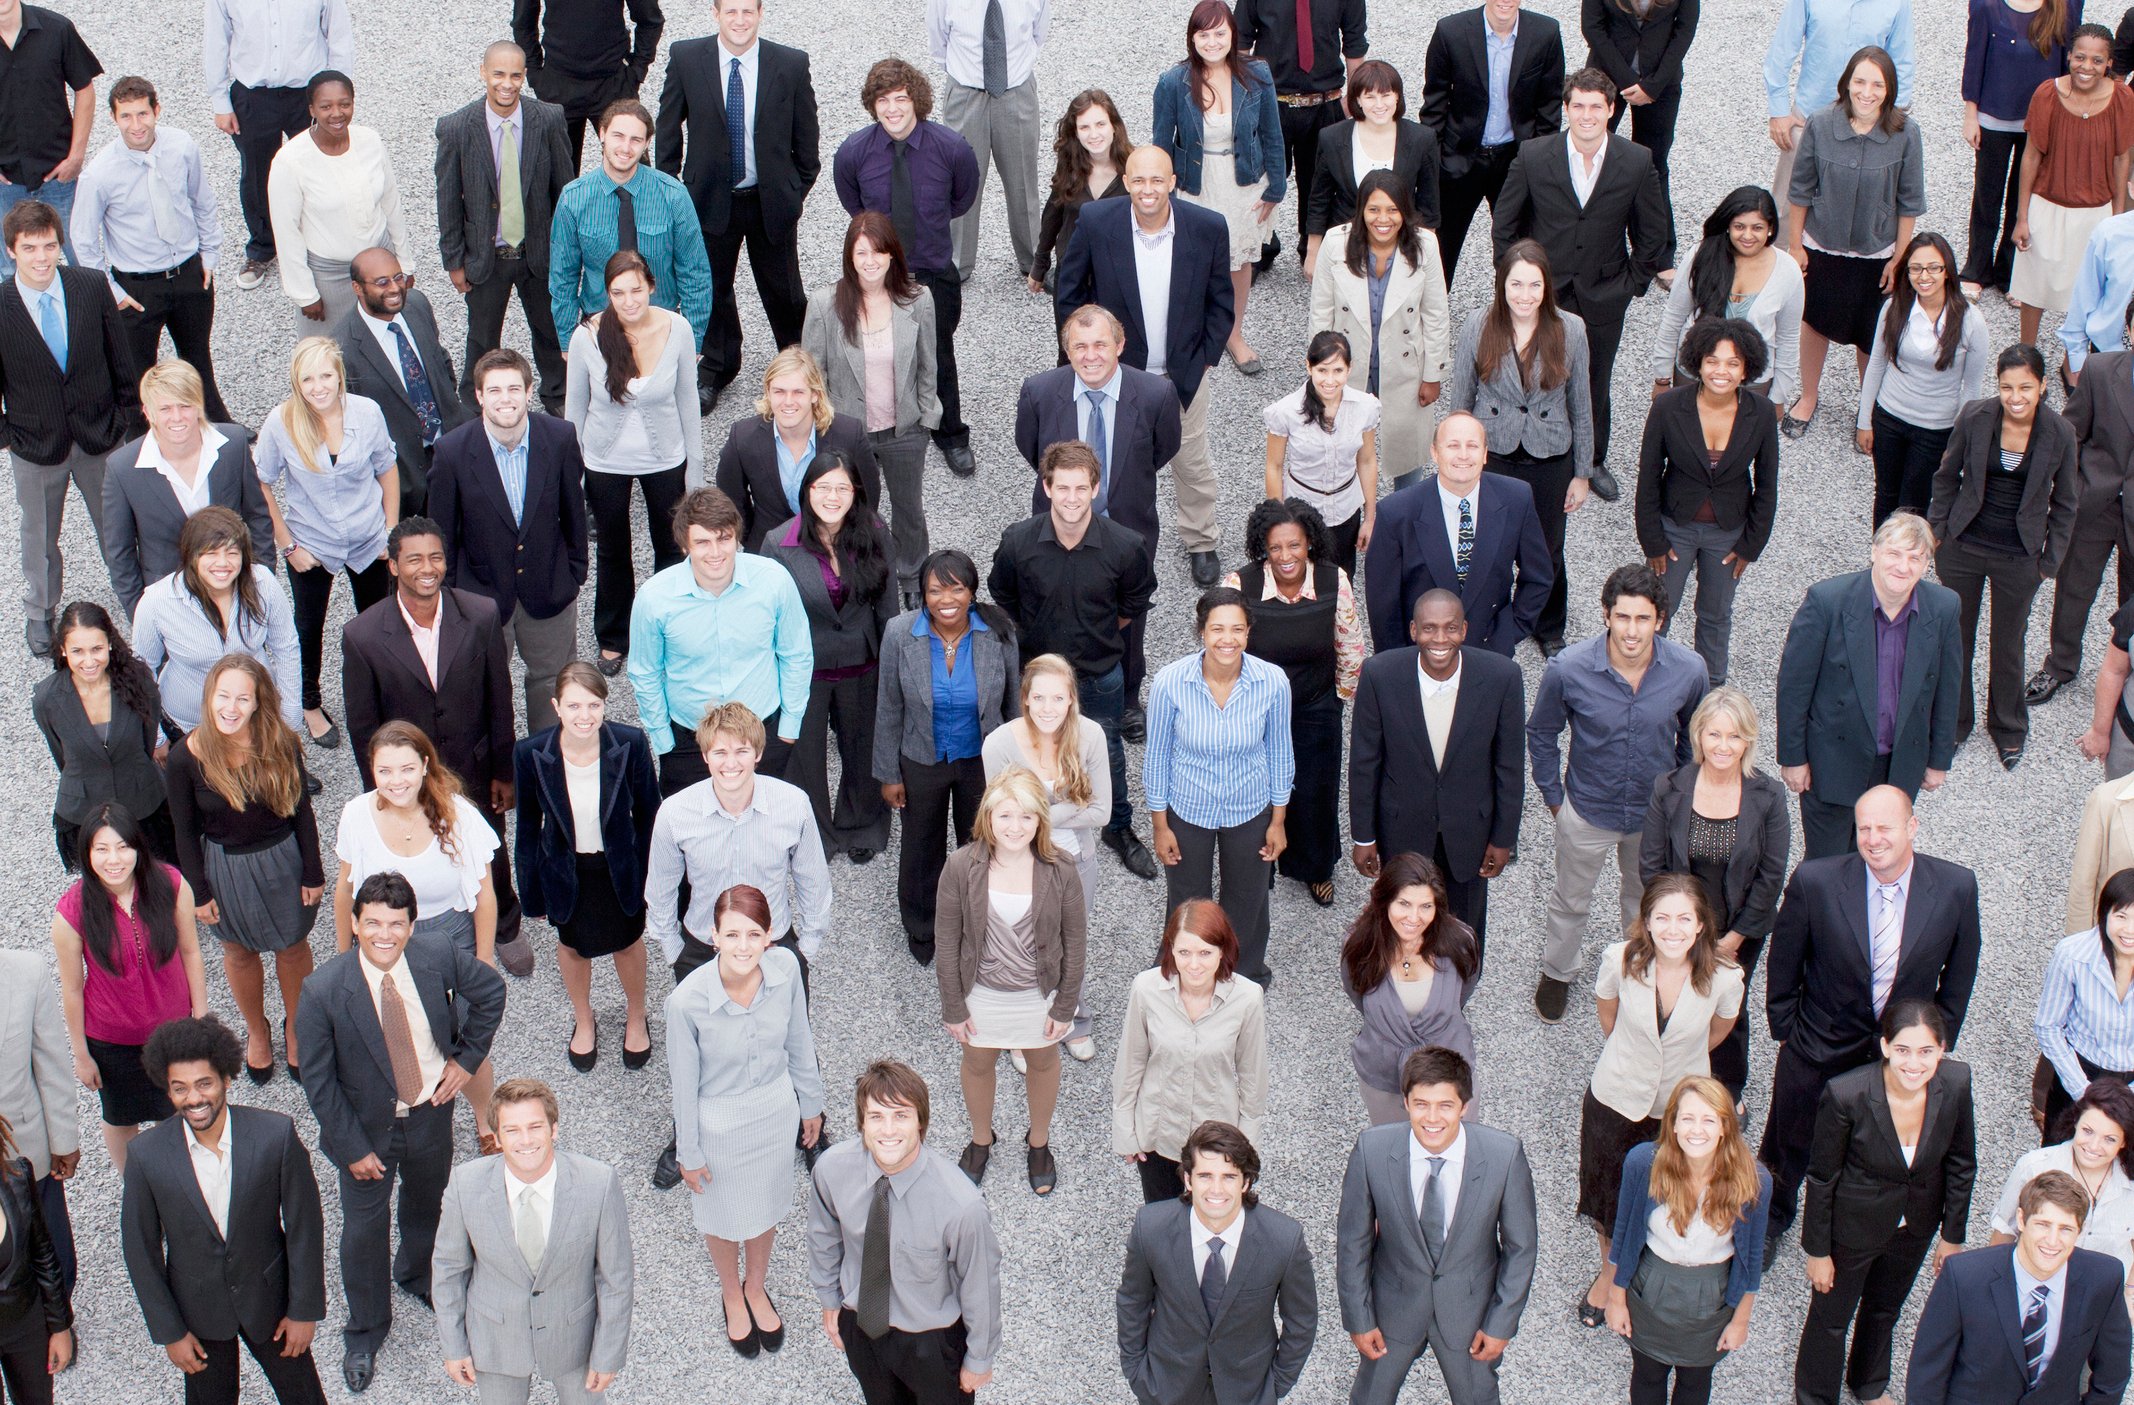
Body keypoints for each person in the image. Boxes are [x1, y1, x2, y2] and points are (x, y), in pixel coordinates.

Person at [294, 872, 505, 1395]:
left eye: (395, 924)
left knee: (427, 1203)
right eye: (372, 923)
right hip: (365, 1135)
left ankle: (416, 1274)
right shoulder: (322, 990)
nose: (383, 934)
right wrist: (351, 1148)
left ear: (412, 926)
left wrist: (467, 1059)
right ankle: (365, 1329)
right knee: (363, 1232)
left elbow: (492, 992)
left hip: (431, 1113)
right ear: (354, 923)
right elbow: (319, 1084)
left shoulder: (436, 955)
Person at [1760, 785, 1984, 1254]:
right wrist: (1786, 1029)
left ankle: (1849, 1227)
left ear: (1912, 827)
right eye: (1865, 828)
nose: (1874, 838)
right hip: (1817, 1044)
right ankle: (1772, 1218)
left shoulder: (1956, 888)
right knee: (1788, 1142)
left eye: (1885, 827)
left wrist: (1934, 1044)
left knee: (1873, 1147)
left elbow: (1961, 970)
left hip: (1896, 1058)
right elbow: (1784, 959)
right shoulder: (1815, 881)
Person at [642, 702, 831, 1189]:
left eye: (741, 751)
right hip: (703, 948)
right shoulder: (675, 813)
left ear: (758, 752)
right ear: (705, 755)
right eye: (720, 752)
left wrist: (802, 947)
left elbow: (813, 879)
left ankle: (807, 1124)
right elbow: (659, 891)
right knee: (698, 1046)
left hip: (775, 946)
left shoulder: (791, 804)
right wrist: (673, 951)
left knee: (791, 1034)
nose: (731, 762)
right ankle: (689, 1135)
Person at [342, 519, 526, 970]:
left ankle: (504, 922)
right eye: (415, 559)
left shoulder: (481, 614)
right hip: (407, 777)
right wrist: (382, 788)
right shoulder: (362, 636)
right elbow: (363, 727)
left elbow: (499, 698)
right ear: (393, 565)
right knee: (413, 849)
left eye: (436, 557)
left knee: (490, 847)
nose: (429, 568)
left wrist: (504, 770)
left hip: (475, 765)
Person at [1528, 564, 1709, 1022]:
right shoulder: (1568, 669)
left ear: (1660, 620)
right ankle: (1558, 971)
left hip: (1653, 815)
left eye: (1643, 619)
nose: (1632, 630)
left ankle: (1639, 976)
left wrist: (1681, 790)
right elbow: (1541, 732)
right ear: (1606, 615)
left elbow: (1694, 733)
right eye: (1623, 617)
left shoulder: (1688, 671)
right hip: (1587, 808)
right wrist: (1555, 797)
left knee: (1645, 902)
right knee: (1571, 898)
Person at [1054, 145, 1236, 585]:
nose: (1147, 190)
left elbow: (1221, 302)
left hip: (1182, 376)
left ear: (1173, 182)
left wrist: (1206, 359)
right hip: (1117, 375)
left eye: (1157, 180)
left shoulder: (1208, 228)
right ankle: (1101, 535)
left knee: (1190, 459)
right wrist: (1085, 356)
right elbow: (1069, 290)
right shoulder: (1097, 223)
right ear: (1126, 182)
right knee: (1108, 455)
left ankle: (1200, 539)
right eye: (1138, 180)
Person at [121, 1016, 323, 1405]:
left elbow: (305, 1227)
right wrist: (170, 1331)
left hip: (272, 1304)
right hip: (199, 1316)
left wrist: (304, 1311)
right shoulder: (146, 1156)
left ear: (227, 1080)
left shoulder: (275, 1136)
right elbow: (140, 1250)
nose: (194, 1098)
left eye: (204, 1084)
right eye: (180, 1088)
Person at [1493, 67, 1671, 500]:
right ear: (1567, 109)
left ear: (1611, 109)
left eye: (1596, 106)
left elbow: (1652, 236)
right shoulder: (1534, 155)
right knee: (1528, 371)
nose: (1587, 115)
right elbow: (1505, 226)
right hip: (1540, 296)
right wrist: (1519, 284)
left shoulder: (1636, 160)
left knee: (1595, 378)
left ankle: (1591, 461)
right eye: (1578, 106)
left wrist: (1628, 286)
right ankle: (1529, 450)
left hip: (1603, 294)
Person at [1576, 879, 1743, 1331]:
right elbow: (1606, 1010)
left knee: (1663, 1195)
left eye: (1684, 918)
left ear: (1702, 925)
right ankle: (1611, 1277)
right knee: (1609, 1197)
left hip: (1678, 1108)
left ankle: (1642, 1269)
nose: (1673, 929)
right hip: (1615, 1099)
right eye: (1662, 918)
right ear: (1646, 922)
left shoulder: (1726, 978)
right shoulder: (1619, 959)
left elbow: (1719, 1031)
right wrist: (1631, 1054)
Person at [988, 442, 1159, 875]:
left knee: (1109, 755)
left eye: (1081, 488)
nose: (1071, 498)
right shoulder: (1018, 542)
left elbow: (1134, 601)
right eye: (1062, 487)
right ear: (1046, 487)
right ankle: (1028, 825)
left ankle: (1118, 827)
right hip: (1037, 682)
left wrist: (1097, 632)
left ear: (1095, 488)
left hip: (1099, 675)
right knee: (1031, 753)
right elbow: (1002, 594)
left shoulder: (1125, 547)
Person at [1795, 999, 1975, 1405]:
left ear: (1942, 1050)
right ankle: (1814, 1397)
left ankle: (1869, 1383)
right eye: (1904, 1050)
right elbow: (1822, 1178)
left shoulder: (1958, 1083)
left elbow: (1962, 1162)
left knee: (1884, 1309)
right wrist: (1818, 1251)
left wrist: (1952, 1235)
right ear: (1885, 1047)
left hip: (1915, 1226)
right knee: (1830, 1320)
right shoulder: (1847, 1095)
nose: (1915, 1063)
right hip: (1852, 1228)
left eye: (1927, 1051)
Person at [1336, 1045, 1538, 1405]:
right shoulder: (1371, 1150)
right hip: (1392, 1308)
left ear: (1464, 1105)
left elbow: (1521, 1249)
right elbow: (1353, 1242)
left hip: (1470, 1313)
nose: (1432, 1118)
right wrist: (1359, 1317)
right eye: (1421, 1104)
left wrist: (1501, 1322)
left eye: (1445, 1105)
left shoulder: (1504, 1156)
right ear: (1406, 1102)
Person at [669, 884, 823, 1355]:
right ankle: (731, 1292)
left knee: (766, 1205)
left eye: (753, 934)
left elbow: (800, 1039)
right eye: (731, 934)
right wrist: (688, 1152)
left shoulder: (787, 970)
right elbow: (682, 1086)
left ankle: (755, 1285)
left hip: (775, 1112)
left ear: (770, 936)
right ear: (712, 935)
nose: (742, 946)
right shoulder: (686, 1002)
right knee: (720, 1214)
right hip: (718, 1123)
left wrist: (810, 1103)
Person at [331, 727, 505, 1122]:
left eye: (407, 769)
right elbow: (345, 891)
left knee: (464, 1041)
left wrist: (482, 960)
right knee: (398, 1039)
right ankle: (418, 1113)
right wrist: (345, 958)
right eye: (385, 770)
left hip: (448, 937)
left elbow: (484, 895)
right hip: (384, 941)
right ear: (371, 769)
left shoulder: (458, 813)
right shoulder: (356, 814)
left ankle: (484, 1117)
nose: (397, 781)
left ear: (426, 765)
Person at [806, 1060, 1002, 1405]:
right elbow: (824, 1235)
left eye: (901, 1115)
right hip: (861, 1325)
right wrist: (828, 1298)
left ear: (921, 1123)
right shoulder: (831, 1170)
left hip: (931, 1342)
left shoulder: (961, 1205)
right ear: (862, 1123)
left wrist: (979, 1358)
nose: (888, 1130)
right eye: (877, 1116)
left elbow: (979, 1286)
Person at [656, 0, 819, 409]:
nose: (740, 20)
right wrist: (672, 188)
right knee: (711, 289)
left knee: (784, 290)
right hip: (709, 200)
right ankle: (718, 366)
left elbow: (808, 145)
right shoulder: (687, 57)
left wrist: (790, 194)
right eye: (731, 12)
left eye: (748, 11)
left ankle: (796, 366)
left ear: (760, 14)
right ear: (716, 14)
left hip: (769, 202)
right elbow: (667, 124)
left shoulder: (791, 64)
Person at [165, 656, 321, 1084]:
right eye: (223, 696)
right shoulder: (185, 758)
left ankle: (294, 1027)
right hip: (225, 869)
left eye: (242, 698)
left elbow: (302, 811)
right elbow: (183, 831)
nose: (231, 708)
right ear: (209, 697)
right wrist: (198, 892)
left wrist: (313, 870)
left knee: (292, 947)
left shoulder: (280, 742)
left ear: (258, 703)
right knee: (238, 951)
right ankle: (257, 1029)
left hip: (282, 861)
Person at [1015, 305, 1181, 706]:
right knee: (1054, 608)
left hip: (1127, 528)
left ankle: (1126, 697)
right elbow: (1031, 450)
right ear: (1067, 351)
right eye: (1080, 346)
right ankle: (1055, 697)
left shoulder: (1157, 395)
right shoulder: (1038, 392)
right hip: (1057, 526)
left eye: (1100, 345)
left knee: (1128, 615)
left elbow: (1163, 449)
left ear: (1120, 345)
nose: (1091, 355)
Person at [1774, 513, 1963, 859]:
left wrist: (1939, 759)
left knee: (1879, 862)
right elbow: (1794, 686)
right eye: (1895, 554)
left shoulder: (1944, 608)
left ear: (1926, 565)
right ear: (1874, 551)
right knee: (1826, 867)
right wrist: (1793, 757)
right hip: (1831, 764)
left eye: (1915, 558)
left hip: (1899, 765)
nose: (1903, 566)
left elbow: (1948, 688)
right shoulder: (1827, 602)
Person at [432, 1077, 634, 1401]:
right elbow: (449, 1270)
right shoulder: (464, 1185)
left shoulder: (599, 1184)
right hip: (496, 1336)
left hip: (575, 1336)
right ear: (496, 1137)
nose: (525, 1140)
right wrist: (453, 1345)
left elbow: (616, 1278)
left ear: (553, 1129)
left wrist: (608, 1352)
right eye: (512, 1130)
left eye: (535, 1127)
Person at [935, 767, 1087, 1194]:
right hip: (980, 994)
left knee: (1042, 1062)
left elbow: (1075, 943)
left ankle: (1038, 1142)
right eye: (1005, 816)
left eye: (1026, 816)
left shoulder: (1061, 868)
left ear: (1041, 820)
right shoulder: (961, 866)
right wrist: (954, 1006)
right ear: (987, 817)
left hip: (1039, 996)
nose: (1015, 827)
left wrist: (1064, 1006)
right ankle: (982, 1139)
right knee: (978, 1064)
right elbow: (947, 941)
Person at [1929, 342, 2079, 768]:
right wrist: (1938, 534)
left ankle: (2008, 727)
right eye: (2007, 387)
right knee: (1956, 639)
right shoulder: (1976, 416)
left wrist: (2050, 561)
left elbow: (2067, 502)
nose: (2015, 397)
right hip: (1964, 547)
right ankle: (1954, 725)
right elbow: (1946, 477)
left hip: (2020, 556)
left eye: (2025, 388)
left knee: (2008, 643)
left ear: (2044, 386)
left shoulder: (2061, 433)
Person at [1639, 686, 1791, 1104]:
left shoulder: (1770, 795)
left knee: (1729, 1005)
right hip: (1676, 925)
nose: (1724, 746)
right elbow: (1651, 866)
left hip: (1740, 927)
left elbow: (1771, 874)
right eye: (1714, 734)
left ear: (1748, 741)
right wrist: (1673, 928)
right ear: (1699, 736)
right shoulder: (1668, 787)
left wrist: (1735, 938)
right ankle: (1666, 1079)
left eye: (1734, 736)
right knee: (1672, 999)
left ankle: (1727, 1086)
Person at [0, 198, 138, 659]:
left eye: (49, 245)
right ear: (11, 251)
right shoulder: (0, 306)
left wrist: (123, 416)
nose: (42, 257)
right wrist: (10, 436)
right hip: (36, 446)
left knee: (116, 527)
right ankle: (40, 611)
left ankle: (137, 601)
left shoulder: (89, 285)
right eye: (30, 247)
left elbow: (120, 356)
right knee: (39, 536)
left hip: (100, 434)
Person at [1350, 591, 1525, 947]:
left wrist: (1503, 838)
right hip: (1402, 832)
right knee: (1400, 927)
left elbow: (1509, 766)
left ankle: (1456, 997)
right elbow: (1364, 762)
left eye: (1451, 628)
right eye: (1430, 628)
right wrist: (1364, 837)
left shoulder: (1502, 677)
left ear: (1465, 629)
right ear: (1414, 630)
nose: (1440, 639)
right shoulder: (1379, 675)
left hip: (1469, 834)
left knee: (1463, 933)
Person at [832, 58, 980, 477]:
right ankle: (880, 433)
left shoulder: (952, 149)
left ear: (917, 100)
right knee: (874, 352)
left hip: (933, 272)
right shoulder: (854, 153)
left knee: (939, 353)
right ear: (872, 105)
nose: (893, 109)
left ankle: (950, 434)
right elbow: (853, 204)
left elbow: (962, 199)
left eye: (901, 98)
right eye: (883, 100)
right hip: (877, 276)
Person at [428, 349, 588, 733]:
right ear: (479, 396)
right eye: (494, 390)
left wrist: (575, 571)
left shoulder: (560, 436)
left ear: (529, 391)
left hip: (549, 588)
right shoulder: (451, 452)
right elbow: (443, 534)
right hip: (480, 596)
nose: (506, 399)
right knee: (484, 690)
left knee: (553, 683)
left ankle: (547, 764)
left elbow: (574, 510)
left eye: (514, 388)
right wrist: (450, 596)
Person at [1441, 245, 1591, 651]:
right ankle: (1486, 614)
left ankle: (1548, 626)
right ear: (1501, 284)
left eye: (1534, 285)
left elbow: (1581, 403)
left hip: (1550, 457)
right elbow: (1462, 397)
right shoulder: (1479, 323)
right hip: (1495, 454)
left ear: (1547, 286)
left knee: (1547, 548)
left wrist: (1582, 473)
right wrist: (1456, 456)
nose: (1525, 295)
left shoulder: (1571, 328)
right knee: (1487, 542)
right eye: (1516, 284)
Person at [1146, 588, 1294, 989]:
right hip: (1188, 809)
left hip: (1250, 808)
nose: (1227, 639)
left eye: (1237, 629)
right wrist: (1160, 826)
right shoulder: (1170, 682)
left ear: (1248, 633)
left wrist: (1278, 820)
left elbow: (1280, 752)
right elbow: (1157, 757)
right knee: (1187, 901)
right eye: (1217, 629)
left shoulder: (1273, 682)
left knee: (1248, 900)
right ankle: (1180, 973)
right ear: (1201, 632)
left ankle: (1242, 978)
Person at [515, 663, 660, 1072]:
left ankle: (636, 1016)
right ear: (556, 706)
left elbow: (651, 815)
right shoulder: (532, 753)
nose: (584, 715)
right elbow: (526, 827)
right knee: (573, 947)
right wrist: (531, 894)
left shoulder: (629, 744)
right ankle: (584, 1018)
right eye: (574, 705)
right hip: (565, 870)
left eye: (594, 705)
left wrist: (656, 879)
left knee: (629, 942)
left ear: (604, 705)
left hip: (619, 868)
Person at [252, 337, 396, 745]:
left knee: (377, 622)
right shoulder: (281, 422)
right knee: (306, 626)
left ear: (340, 376)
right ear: (297, 381)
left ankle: (380, 693)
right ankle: (309, 704)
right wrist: (289, 546)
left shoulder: (367, 413)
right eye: (308, 378)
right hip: (311, 543)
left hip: (368, 538)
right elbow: (260, 481)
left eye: (326, 376)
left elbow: (387, 469)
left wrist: (389, 529)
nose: (318, 387)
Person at [49, 802, 208, 1171]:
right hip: (111, 1041)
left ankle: (182, 1186)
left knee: (178, 1112)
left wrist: (201, 1017)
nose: (113, 859)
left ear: (138, 847)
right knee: (121, 1119)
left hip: (173, 1033)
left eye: (123, 847)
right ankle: (136, 1187)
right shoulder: (71, 911)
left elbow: (191, 952)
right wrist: (81, 1054)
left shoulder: (170, 883)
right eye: (101, 849)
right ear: (87, 854)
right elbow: (72, 989)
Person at [1222, 499, 1363, 906]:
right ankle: (1257, 866)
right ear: (1262, 548)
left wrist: (1337, 700)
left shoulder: (1334, 580)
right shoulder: (1240, 585)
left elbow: (1351, 646)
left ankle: (1314, 867)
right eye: (1276, 548)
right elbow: (1226, 649)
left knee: (1316, 791)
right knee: (1257, 790)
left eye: (1295, 546)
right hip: (1258, 711)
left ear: (1310, 544)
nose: (1286, 557)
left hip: (1316, 706)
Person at [1116, 1119, 1318, 1403]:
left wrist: (1275, 1385)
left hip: (1247, 1391)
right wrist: (1136, 1370)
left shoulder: (1284, 1241)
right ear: (1187, 1179)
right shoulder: (1150, 1228)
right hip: (1167, 1386)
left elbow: (1302, 1321)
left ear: (1246, 1181)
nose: (1216, 1190)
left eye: (1229, 1176)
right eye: (1205, 1176)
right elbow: (1132, 1301)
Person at [1781, 46, 1926, 439]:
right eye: (1859, 81)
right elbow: (1800, 189)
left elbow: (1909, 201)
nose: (1867, 92)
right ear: (1846, 83)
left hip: (1875, 252)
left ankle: (1868, 406)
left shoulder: (1906, 133)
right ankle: (1809, 396)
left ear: (1889, 89)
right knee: (1815, 322)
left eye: (1877, 84)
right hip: (1822, 246)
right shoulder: (1821, 123)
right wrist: (1795, 247)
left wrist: (1899, 257)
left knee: (1870, 329)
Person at [570, 251, 701, 676]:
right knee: (612, 547)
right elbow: (575, 409)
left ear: (652, 286)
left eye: (636, 290)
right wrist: (573, 473)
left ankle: (669, 627)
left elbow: (687, 399)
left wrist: (694, 467)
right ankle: (613, 635)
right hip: (605, 459)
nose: (628, 301)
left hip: (665, 456)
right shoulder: (587, 336)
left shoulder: (677, 329)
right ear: (606, 294)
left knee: (670, 545)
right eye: (617, 293)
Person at [628, 487, 813, 789]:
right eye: (703, 542)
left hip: (763, 738)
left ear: (737, 537)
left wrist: (788, 729)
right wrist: (663, 740)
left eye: (724, 538)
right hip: (688, 744)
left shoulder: (774, 581)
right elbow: (644, 672)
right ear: (685, 546)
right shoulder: (654, 598)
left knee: (764, 831)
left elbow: (796, 654)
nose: (715, 552)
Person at [1603, 1077, 1772, 1405]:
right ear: (1674, 1125)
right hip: (1651, 1287)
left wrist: (1741, 1321)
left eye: (1709, 1120)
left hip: (1711, 1297)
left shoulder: (1754, 1181)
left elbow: (1751, 1259)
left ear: (1725, 1127)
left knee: (1696, 1380)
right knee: (1648, 1373)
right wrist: (1616, 1299)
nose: (1698, 1130)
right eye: (1688, 1118)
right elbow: (1623, 1235)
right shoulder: (1643, 1164)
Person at [764, 450, 897, 861]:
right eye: (824, 487)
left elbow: (888, 603)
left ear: (856, 492)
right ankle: (813, 835)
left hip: (863, 661)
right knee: (804, 757)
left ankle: (861, 827)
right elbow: (771, 615)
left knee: (862, 748)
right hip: (807, 668)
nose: (833, 496)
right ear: (808, 491)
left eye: (843, 487)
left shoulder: (875, 529)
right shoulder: (779, 542)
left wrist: (892, 664)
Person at [71, 78, 229, 423]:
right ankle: (143, 442)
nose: (136, 125)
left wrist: (209, 256)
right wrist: (113, 293)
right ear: (114, 119)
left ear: (156, 110)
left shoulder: (182, 147)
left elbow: (202, 202)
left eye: (142, 114)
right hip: (136, 286)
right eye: (126, 116)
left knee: (197, 357)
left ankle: (215, 425)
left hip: (189, 273)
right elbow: (82, 239)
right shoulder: (99, 174)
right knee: (137, 372)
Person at [1634, 318, 1781, 686]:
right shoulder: (1668, 407)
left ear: (1747, 368)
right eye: (1713, 360)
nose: (1722, 371)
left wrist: (1751, 545)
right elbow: (1648, 477)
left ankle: (1711, 692)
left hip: (1728, 534)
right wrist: (1653, 539)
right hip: (1674, 529)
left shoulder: (1761, 413)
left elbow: (1767, 484)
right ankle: (1646, 683)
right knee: (1658, 610)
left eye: (1733, 363)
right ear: (1698, 361)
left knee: (1716, 615)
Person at [1907, 1171, 2134, 1405]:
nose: (2053, 1241)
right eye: (2043, 1224)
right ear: (2022, 1220)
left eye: (2066, 1229)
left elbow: (2112, 1375)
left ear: (2080, 1230)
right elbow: (1927, 1373)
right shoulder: (1964, 1276)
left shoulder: (2103, 1279)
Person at [801, 215, 938, 598]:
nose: (870, 260)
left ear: (893, 255)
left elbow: (930, 362)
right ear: (850, 256)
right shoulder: (825, 305)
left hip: (904, 430)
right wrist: (824, 426)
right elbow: (814, 373)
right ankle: (863, 576)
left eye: (878, 251)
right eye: (861, 252)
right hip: (848, 432)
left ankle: (911, 576)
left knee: (909, 509)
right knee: (855, 509)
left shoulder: (917, 300)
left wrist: (926, 416)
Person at [434, 42, 574, 414]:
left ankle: (558, 396)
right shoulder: (457, 128)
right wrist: (454, 260)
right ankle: (474, 405)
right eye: (499, 74)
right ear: (484, 73)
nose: (507, 84)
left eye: (515, 75)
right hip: (487, 256)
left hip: (537, 253)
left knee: (549, 331)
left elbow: (564, 191)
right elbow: (447, 199)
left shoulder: (547, 119)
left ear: (524, 75)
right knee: (481, 338)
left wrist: (566, 253)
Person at [984, 654, 1108, 1059]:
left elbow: (1102, 811)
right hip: (1019, 865)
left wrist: (1035, 815)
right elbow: (1001, 818)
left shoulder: (1089, 736)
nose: (1048, 709)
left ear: (1071, 699)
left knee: (1071, 942)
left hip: (1076, 864)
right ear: (1025, 699)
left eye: (1057, 698)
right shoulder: (999, 744)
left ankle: (1073, 1019)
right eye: (1039, 698)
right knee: (1024, 946)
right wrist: (1072, 805)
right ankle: (1023, 1032)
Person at [1152, 2, 1287, 374]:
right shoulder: (1172, 83)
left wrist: (1276, 187)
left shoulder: (1257, 74)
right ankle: (1193, 331)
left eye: (1220, 33)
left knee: (1240, 260)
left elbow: (1273, 135)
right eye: (1204, 34)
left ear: (1233, 35)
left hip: (1244, 180)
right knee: (1194, 261)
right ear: (1192, 38)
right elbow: (1161, 145)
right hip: (1197, 183)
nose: (1212, 42)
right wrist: (1161, 195)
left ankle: (1232, 332)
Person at [1364, 410, 1554, 657]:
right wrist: (1398, 663)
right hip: (1421, 656)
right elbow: (1382, 604)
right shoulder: (1396, 513)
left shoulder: (1517, 499)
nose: (1463, 455)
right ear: (1434, 452)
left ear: (1485, 454)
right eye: (1453, 445)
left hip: (1488, 655)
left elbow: (1538, 578)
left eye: (1472, 446)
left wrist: (1507, 633)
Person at [1113, 900, 1268, 1200]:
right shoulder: (1145, 989)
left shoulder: (1248, 998)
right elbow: (1130, 1064)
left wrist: (1246, 1150)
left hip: (1217, 1147)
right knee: (1163, 1223)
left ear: (1223, 950)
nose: (1194, 965)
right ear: (1170, 949)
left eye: (1205, 953)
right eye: (1184, 952)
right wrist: (1125, 1133)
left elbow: (1253, 1080)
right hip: (1158, 1137)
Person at [1308, 172, 1452, 492]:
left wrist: (1433, 374)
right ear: (1361, 210)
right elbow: (1321, 314)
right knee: (1346, 456)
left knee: (1408, 458)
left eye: (1392, 210)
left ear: (1405, 211)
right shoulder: (1335, 243)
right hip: (1350, 368)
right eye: (1374, 210)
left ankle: (1402, 528)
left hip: (1405, 370)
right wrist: (1320, 376)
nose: (1382, 219)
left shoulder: (1426, 244)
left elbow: (1435, 315)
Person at [102, 358, 271, 620]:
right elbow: (120, 556)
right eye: (166, 409)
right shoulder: (123, 469)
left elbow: (257, 517)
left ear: (199, 405)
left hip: (236, 591)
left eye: (185, 405)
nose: (177, 417)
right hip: (170, 606)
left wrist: (260, 583)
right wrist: (141, 614)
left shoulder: (233, 445)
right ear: (147, 412)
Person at [202, 0, 352, 290]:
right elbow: (216, 41)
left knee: (318, 170)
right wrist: (220, 102)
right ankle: (263, 247)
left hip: (308, 93)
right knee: (257, 174)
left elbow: (339, 35)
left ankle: (321, 245)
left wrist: (338, 95)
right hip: (253, 95)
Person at [1419, 0, 1567, 289]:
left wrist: (1536, 160)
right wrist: (1438, 159)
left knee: (1520, 251)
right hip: (1460, 158)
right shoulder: (1451, 31)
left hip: (1515, 160)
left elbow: (1550, 106)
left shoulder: (1545, 32)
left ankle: (1515, 319)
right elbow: (1434, 104)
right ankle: (1430, 323)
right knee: (1440, 249)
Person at [547, 99, 712, 353]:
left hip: (662, 327)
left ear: (646, 144)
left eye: (636, 139)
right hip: (600, 328)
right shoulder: (573, 199)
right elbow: (563, 277)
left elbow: (695, 273)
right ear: (602, 134)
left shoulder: (673, 196)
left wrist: (693, 342)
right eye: (618, 136)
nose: (625, 147)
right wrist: (570, 343)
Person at [1856, 233, 1995, 526]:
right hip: (1889, 418)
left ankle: (1905, 564)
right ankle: (1880, 559)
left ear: (1947, 271)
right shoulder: (1894, 308)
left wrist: (1959, 442)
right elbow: (1877, 363)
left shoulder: (1972, 321)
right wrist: (1864, 421)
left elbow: (1971, 388)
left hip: (1935, 429)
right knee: (1885, 495)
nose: (1925, 276)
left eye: (1934, 267)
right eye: (1916, 268)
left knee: (1914, 504)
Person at [2010, 25, 2134, 349]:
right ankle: (2027, 356)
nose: (2086, 67)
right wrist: (2022, 217)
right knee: (2033, 289)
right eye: (2080, 57)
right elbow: (2031, 157)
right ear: (2069, 57)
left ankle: (2073, 365)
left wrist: (2117, 218)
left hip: (2096, 211)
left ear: (2109, 63)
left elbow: (2122, 159)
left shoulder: (2123, 98)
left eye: (2096, 60)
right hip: (2047, 204)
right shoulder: (2047, 94)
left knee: (2088, 297)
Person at [132, 507, 301, 735]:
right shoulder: (156, 601)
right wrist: (157, 736)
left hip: (254, 715)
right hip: (190, 723)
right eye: (211, 553)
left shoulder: (263, 583)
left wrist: (290, 717)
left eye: (232, 553)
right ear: (191, 555)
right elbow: (142, 671)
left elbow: (286, 648)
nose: (223, 563)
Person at [1341, 855, 1481, 1128]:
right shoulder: (1359, 946)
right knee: (1394, 1152)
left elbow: (1463, 992)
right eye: (1404, 903)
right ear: (1384, 901)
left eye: (1425, 906)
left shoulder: (1461, 943)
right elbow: (1357, 994)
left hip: (1450, 1073)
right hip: (1384, 1075)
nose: (1414, 918)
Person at [332, 247, 472, 517]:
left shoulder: (417, 304)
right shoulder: (342, 348)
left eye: (398, 277)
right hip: (405, 477)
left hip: (452, 449)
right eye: (382, 282)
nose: (395, 288)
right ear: (357, 288)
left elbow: (440, 359)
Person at [265, 74, 409, 338]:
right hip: (329, 277)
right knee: (330, 356)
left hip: (380, 270)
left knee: (386, 345)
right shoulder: (290, 161)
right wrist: (305, 293)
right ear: (311, 109)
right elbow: (287, 231)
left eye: (344, 104)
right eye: (326, 106)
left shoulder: (371, 142)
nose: (337, 113)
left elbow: (392, 204)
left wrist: (404, 264)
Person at [2036, 329, 2134, 709]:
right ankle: (2060, 664)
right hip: (2095, 503)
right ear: (2128, 330)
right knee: (2074, 588)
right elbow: (2069, 434)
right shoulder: (2099, 369)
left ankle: (2126, 673)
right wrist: (2072, 488)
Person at [33, 601, 171, 870]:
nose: (88, 661)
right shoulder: (46, 699)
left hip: (143, 803)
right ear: (63, 650)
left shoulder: (140, 683)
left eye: (96, 649)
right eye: (77, 651)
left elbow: (146, 742)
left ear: (109, 643)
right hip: (84, 811)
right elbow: (61, 756)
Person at [1236, 0, 1372, 267]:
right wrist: (1248, 97)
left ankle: (1312, 247)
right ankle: (1260, 247)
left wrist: (1351, 100)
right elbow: (1241, 41)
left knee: (1320, 182)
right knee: (1262, 179)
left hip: (1325, 102)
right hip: (1272, 103)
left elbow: (1355, 42)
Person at [1961, 0, 2077, 298]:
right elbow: (1975, 58)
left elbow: (2068, 65)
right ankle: (1976, 268)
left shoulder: (2065, 6)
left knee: (2023, 199)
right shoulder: (1987, 5)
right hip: (1994, 117)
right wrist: (1970, 115)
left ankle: (2010, 272)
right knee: (1987, 195)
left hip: (2039, 122)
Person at [716, 346, 881, 552]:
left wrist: (847, 537)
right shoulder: (743, 437)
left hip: (834, 548)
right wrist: (753, 537)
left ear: (815, 394)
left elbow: (868, 495)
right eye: (779, 391)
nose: (788, 401)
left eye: (798, 392)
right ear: (768, 392)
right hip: (770, 550)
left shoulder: (849, 434)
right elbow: (730, 500)